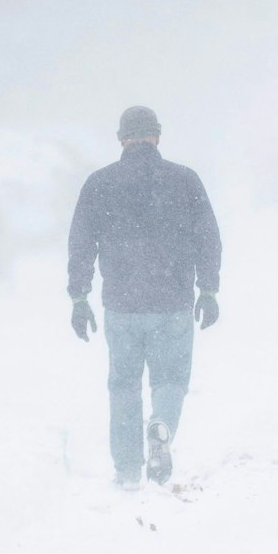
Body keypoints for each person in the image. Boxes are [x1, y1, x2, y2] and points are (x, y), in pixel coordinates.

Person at [67, 105, 222, 488]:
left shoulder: (100, 183)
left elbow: (81, 244)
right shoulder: (184, 181)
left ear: (121, 138)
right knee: (170, 380)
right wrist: (209, 289)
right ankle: (162, 425)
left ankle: (126, 469)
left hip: (122, 303)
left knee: (123, 385)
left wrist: (79, 297)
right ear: (157, 136)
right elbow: (208, 238)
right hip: (173, 302)